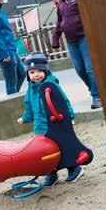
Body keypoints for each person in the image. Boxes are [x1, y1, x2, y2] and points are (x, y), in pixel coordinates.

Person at [17, 52, 84, 186]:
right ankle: (51, 174)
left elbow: (64, 102)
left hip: (56, 124)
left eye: (39, 71)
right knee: (45, 151)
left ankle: (74, 168)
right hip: (40, 128)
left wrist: (70, 117)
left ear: (46, 70)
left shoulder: (52, 86)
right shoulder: (30, 91)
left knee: (63, 147)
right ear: (28, 75)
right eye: (32, 72)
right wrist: (25, 118)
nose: (36, 75)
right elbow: (29, 108)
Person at [51, 0, 102, 109]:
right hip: (71, 41)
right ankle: (97, 90)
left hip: (84, 38)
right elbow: (59, 22)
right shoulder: (60, 3)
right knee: (80, 70)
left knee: (89, 69)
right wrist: (55, 38)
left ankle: (97, 97)